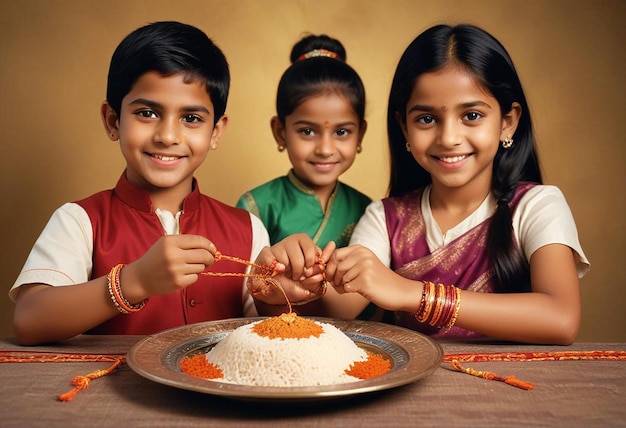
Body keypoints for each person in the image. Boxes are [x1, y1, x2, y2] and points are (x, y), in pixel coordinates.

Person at [255, 24, 590, 345]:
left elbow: (560, 319)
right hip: (412, 394)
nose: (448, 138)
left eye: (471, 115)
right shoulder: (384, 217)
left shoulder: (537, 205)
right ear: (404, 127)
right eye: (427, 119)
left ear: (507, 122)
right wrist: (284, 290)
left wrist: (413, 293)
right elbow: (339, 310)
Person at [9, 21, 277, 345]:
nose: (167, 136)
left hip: (217, 395)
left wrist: (280, 290)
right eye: (148, 113)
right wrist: (132, 281)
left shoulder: (247, 229)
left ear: (216, 132)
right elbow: (28, 319)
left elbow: (263, 334)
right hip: (103, 395)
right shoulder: (80, 221)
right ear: (113, 121)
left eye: (191, 118)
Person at [236, 34, 371, 249]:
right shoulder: (258, 206)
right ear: (280, 132)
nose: (325, 149)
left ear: (360, 135)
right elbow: (241, 278)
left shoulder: (369, 211)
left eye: (342, 132)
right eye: (307, 131)